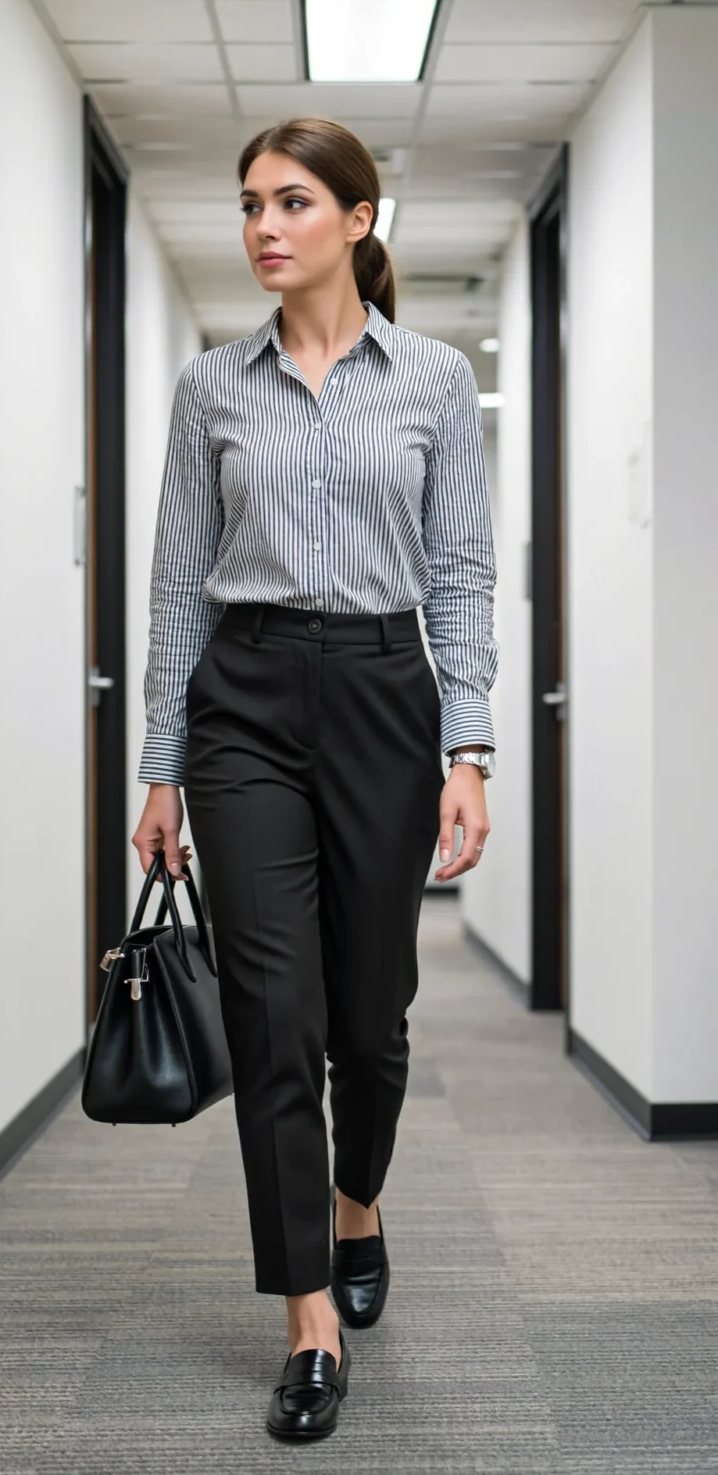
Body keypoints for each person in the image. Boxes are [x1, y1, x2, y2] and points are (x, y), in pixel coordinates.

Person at [131, 116, 497, 1442]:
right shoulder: (212, 390)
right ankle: (308, 1319)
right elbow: (179, 582)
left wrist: (469, 750)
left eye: (292, 201)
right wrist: (162, 769)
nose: (264, 227)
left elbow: (461, 574)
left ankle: (359, 1204)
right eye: (248, 205)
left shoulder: (436, 383)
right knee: (274, 1016)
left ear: (357, 217)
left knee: (370, 1017)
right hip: (245, 699)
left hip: (388, 697)